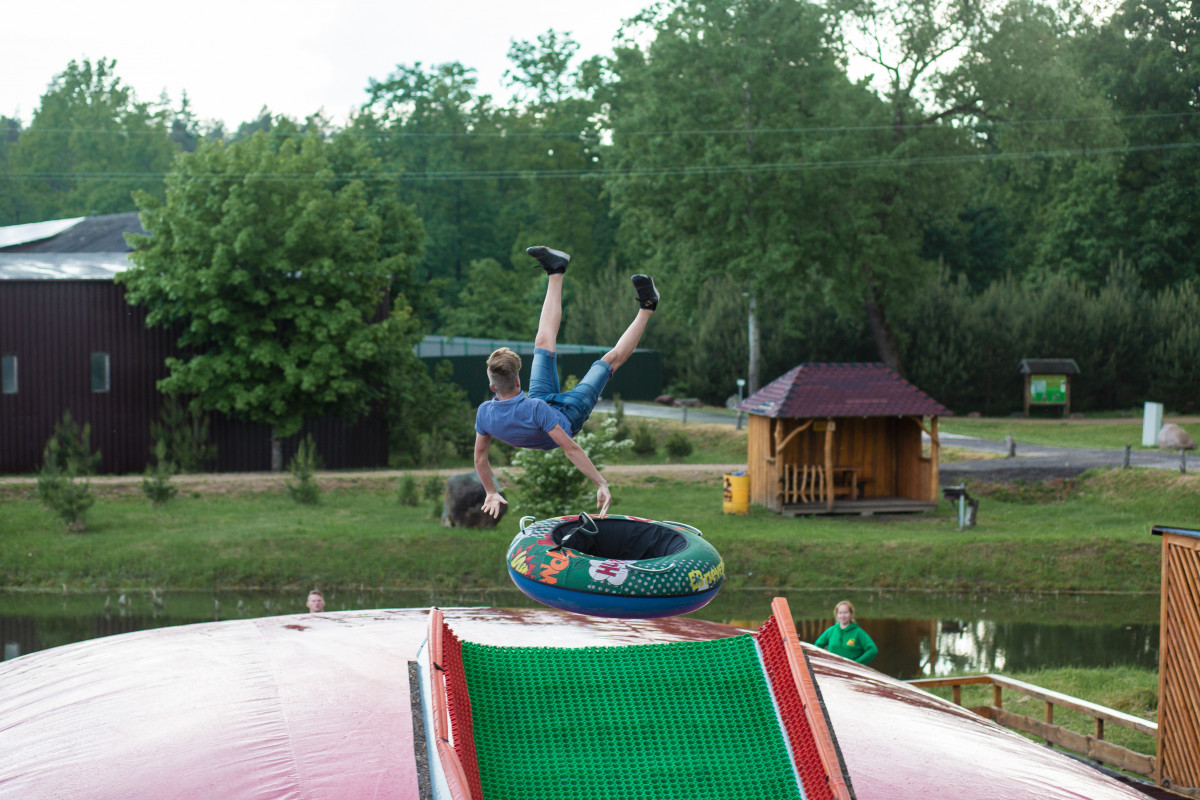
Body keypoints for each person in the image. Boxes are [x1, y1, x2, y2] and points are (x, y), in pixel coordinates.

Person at [474, 245, 659, 520]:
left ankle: (556, 270)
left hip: (540, 401)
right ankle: (648, 305)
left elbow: (480, 458)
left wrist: (491, 490)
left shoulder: (485, 413)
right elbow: (570, 447)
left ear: (492, 387)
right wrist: (601, 482)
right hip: (568, 415)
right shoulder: (525, 410)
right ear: (517, 379)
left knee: (543, 341)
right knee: (607, 362)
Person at [814, 600, 878, 665]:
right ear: (836, 614)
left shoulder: (858, 632)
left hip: (850, 670)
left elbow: (872, 650)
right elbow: (818, 645)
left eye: (846, 612)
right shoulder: (831, 630)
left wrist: (857, 663)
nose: (843, 616)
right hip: (833, 669)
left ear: (851, 614)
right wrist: (824, 660)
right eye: (840, 613)